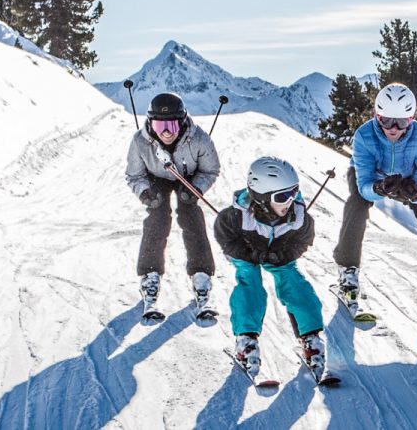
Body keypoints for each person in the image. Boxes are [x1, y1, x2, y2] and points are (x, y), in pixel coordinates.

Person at [331, 83, 417, 306]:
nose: (393, 128)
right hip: (371, 177)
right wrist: (379, 188)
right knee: (357, 204)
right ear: (376, 116)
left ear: (411, 119)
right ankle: (348, 270)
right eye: (386, 120)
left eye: (401, 122)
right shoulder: (364, 135)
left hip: (406, 177)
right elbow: (364, 185)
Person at [213, 157, 329, 379]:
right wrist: (247, 253)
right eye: (283, 196)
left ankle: (310, 337)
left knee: (295, 283)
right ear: (262, 197)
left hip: (279, 256)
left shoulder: (298, 216)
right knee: (250, 281)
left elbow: (303, 240)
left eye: (294, 192)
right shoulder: (238, 214)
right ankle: (246, 340)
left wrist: (283, 254)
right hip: (248, 255)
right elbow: (225, 237)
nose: (290, 200)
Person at [123, 92, 221, 319]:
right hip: (156, 178)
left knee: (192, 217)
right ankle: (150, 275)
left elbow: (211, 169)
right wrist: (145, 192)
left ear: (182, 121)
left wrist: (195, 188)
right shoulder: (140, 141)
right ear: (150, 124)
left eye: (171, 125)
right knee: (157, 218)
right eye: (159, 126)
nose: (166, 132)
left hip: (188, 176)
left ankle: (201, 275)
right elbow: (134, 175)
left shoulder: (198, 139)